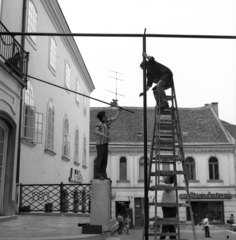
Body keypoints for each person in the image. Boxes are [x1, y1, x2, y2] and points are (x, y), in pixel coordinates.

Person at [94, 108, 122, 180]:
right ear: (102, 117)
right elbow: (95, 131)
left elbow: (115, 118)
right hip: (100, 144)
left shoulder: (106, 122)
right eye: (105, 115)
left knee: (104, 161)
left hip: (105, 144)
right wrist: (104, 135)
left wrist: (119, 111)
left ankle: (103, 174)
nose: (106, 116)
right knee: (99, 160)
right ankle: (98, 175)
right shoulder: (99, 123)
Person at [150, 175, 176, 239]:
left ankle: (162, 239)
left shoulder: (169, 186)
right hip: (169, 209)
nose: (164, 178)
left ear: (169, 179)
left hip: (169, 209)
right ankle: (173, 238)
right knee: (171, 227)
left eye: (166, 177)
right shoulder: (169, 187)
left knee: (166, 226)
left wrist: (154, 187)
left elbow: (161, 186)